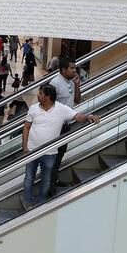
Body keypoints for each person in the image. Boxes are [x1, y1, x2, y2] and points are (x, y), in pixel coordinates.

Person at [22, 84, 101, 207]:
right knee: (28, 177)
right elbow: (26, 127)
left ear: (47, 97)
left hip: (50, 153)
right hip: (32, 150)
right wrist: (25, 147)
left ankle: (41, 202)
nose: (38, 95)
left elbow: (77, 116)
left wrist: (88, 116)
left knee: (46, 179)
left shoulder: (61, 109)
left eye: (41, 93)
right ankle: (28, 202)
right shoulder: (33, 108)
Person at [48, 57, 82, 194]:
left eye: (75, 68)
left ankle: (53, 180)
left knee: (60, 154)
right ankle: (48, 185)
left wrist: (78, 85)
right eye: (72, 68)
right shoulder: (55, 83)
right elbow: (48, 104)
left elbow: (77, 100)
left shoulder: (72, 82)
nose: (75, 70)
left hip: (66, 125)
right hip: (56, 126)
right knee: (53, 156)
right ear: (63, 69)